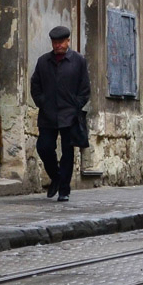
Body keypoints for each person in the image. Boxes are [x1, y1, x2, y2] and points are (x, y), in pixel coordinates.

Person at [31, 26, 91, 202]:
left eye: (60, 42)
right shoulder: (43, 62)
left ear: (68, 41)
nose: (57, 46)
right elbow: (35, 85)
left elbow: (85, 88)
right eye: (54, 43)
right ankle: (55, 176)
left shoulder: (78, 61)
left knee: (67, 152)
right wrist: (41, 102)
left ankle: (64, 189)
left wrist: (76, 106)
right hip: (48, 114)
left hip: (69, 114)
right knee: (44, 147)